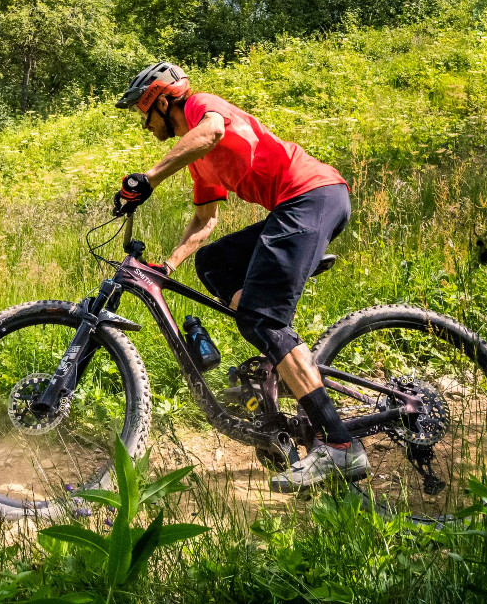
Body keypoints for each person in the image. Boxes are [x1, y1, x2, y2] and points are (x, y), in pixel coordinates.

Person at [112, 61, 369, 491]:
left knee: (261, 320)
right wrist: (168, 264)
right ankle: (278, 359)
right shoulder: (198, 162)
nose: (144, 125)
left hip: (311, 196)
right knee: (213, 262)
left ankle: (340, 446)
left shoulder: (201, 108)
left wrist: (149, 178)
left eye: (145, 115)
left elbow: (211, 131)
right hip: (300, 206)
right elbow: (205, 219)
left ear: (161, 101)